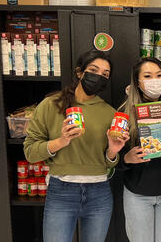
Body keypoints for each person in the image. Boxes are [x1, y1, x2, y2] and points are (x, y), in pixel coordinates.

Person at [24, 50, 129, 242]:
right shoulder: (51, 105)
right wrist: (61, 141)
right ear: (80, 72)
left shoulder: (110, 113)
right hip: (61, 191)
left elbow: (109, 164)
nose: (98, 77)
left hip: (99, 191)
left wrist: (112, 152)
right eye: (93, 70)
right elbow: (30, 152)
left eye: (105, 75)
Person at [116, 57, 161, 242]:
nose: (154, 80)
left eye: (159, 75)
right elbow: (111, 158)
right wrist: (126, 159)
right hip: (138, 195)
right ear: (137, 82)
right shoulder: (124, 113)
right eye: (147, 76)